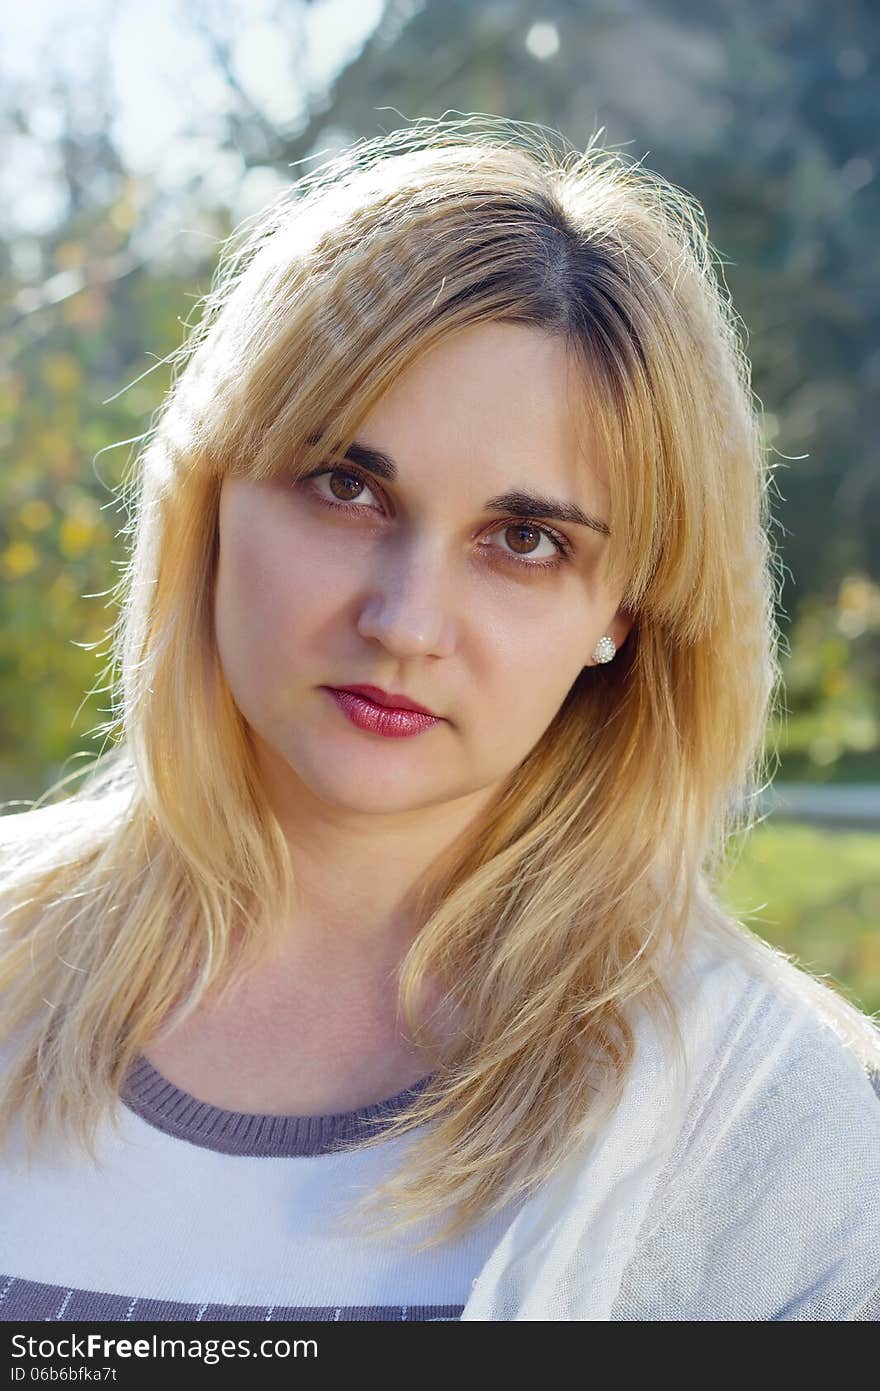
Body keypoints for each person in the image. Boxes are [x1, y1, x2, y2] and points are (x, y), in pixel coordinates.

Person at [0, 116, 878, 1323]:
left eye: (524, 540)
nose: (407, 620)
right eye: (346, 486)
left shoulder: (785, 1142)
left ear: (623, 609)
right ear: (211, 496)